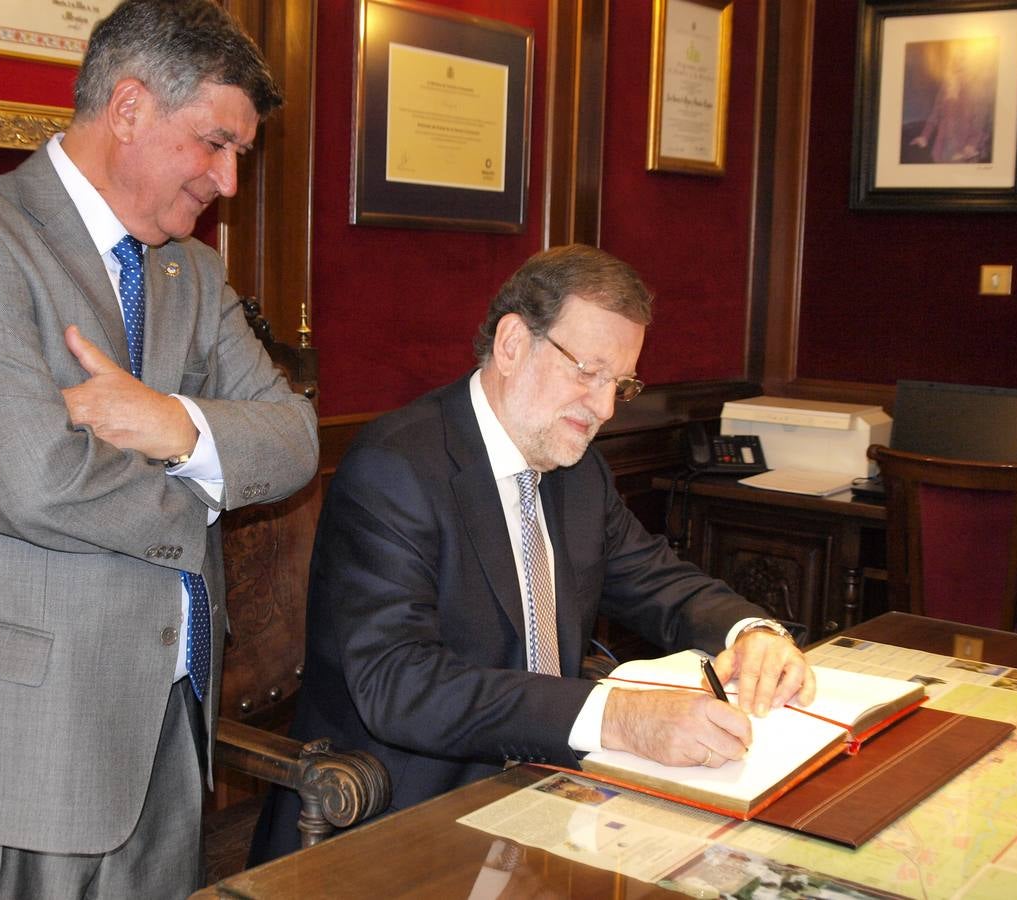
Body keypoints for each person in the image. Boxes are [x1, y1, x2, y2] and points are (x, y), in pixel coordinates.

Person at [0, 1, 318, 896]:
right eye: (214, 144)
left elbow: (295, 439)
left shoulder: (195, 270)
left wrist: (171, 424)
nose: (228, 181)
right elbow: (31, 479)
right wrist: (211, 479)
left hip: (162, 745)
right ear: (132, 108)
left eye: (240, 156)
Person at [251, 244, 814, 862]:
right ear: (514, 343)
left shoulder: (576, 467)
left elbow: (656, 578)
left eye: (619, 384)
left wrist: (751, 631)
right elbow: (401, 685)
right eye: (587, 372)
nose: (603, 409)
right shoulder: (396, 468)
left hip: (550, 801)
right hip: (405, 820)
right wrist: (620, 717)